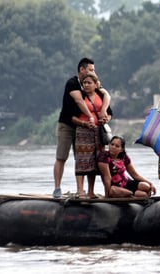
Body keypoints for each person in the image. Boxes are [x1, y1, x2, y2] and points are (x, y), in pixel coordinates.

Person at [53, 58, 111, 198]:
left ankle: (88, 191)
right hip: (68, 125)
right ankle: (57, 188)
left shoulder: (94, 84)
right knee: (62, 156)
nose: (92, 72)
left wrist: (103, 111)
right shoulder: (73, 83)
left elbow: (107, 95)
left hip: (88, 130)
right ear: (82, 70)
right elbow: (79, 101)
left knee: (86, 159)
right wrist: (89, 118)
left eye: (93, 71)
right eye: (90, 69)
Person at [71, 72, 112, 198]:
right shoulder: (80, 97)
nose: (86, 85)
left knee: (95, 161)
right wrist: (84, 123)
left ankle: (91, 191)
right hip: (83, 132)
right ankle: (80, 190)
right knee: (82, 160)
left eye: (89, 83)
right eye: (84, 83)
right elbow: (72, 117)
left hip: (98, 132)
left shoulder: (101, 95)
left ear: (96, 85)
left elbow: (109, 113)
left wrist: (105, 119)